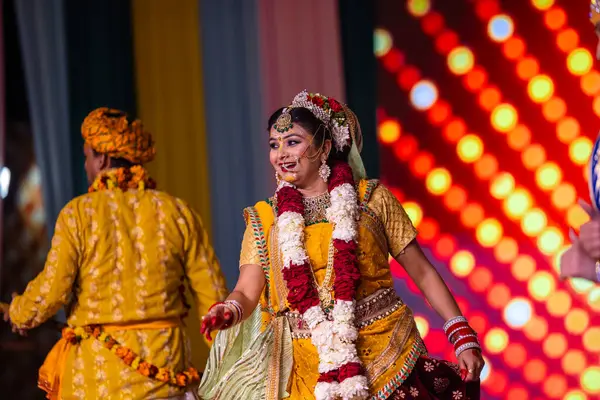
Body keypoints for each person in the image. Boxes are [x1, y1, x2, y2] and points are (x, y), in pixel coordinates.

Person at [197, 91, 483, 400]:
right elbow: (247, 290)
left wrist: (461, 335)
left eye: (292, 142)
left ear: (325, 148)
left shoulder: (371, 200)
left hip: (389, 354)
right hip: (309, 370)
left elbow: (423, 273)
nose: (280, 154)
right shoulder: (265, 218)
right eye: (273, 145)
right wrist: (229, 310)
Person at [0, 108, 228, 399]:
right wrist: (229, 370)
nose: (85, 166)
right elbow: (215, 301)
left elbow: (51, 290)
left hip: (99, 382)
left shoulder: (78, 214)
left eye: (86, 157)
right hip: (166, 375)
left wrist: (19, 313)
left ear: (102, 159)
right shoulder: (177, 212)